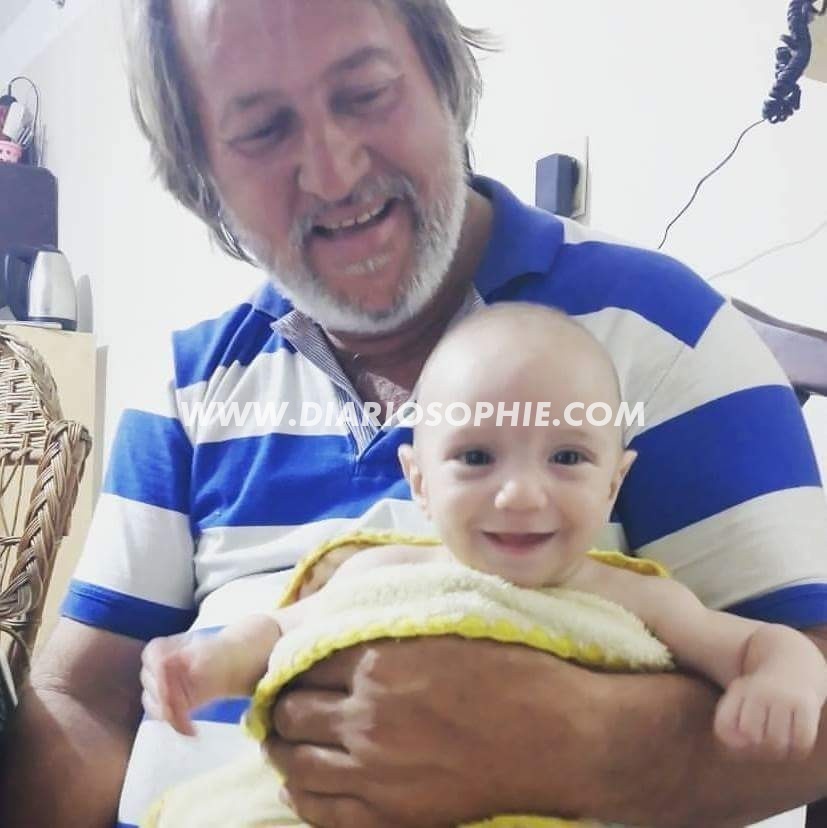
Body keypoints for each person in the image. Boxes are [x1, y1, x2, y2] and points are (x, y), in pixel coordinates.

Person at [2, 2, 827, 827]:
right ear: (201, 176)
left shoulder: (665, 331)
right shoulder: (191, 381)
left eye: (365, 93)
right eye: (261, 130)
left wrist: (575, 750)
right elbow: (84, 699)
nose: (332, 173)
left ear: (444, 76)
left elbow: (805, 686)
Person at [141, 305, 827, 781]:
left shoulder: (633, 597)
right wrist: (207, 668)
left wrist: (780, 681)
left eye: (566, 458)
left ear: (613, 484)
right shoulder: (382, 572)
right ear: (419, 480)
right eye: (475, 458)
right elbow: (275, 637)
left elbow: (756, 644)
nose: (521, 495)